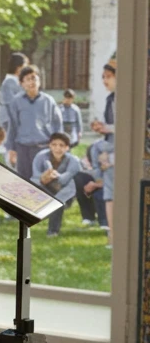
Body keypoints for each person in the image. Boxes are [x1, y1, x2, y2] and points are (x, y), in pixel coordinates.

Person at [5, 64, 62, 184]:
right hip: (23, 147)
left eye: (34, 78)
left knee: (43, 181)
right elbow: (13, 127)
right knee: (24, 181)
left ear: (39, 81)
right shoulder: (16, 102)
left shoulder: (48, 101)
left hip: (43, 147)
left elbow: (57, 125)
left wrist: (58, 146)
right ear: (22, 83)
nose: (32, 82)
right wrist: (11, 149)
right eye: (28, 79)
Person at [31, 132, 81, 237]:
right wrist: (44, 178)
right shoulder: (41, 156)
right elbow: (35, 176)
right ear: (49, 145)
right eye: (54, 145)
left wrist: (56, 175)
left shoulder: (74, 161)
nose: (57, 148)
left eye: (61, 145)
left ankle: (53, 231)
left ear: (67, 147)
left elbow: (67, 180)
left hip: (65, 189)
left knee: (58, 201)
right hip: (43, 186)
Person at [90, 58, 116, 249]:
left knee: (113, 196)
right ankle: (112, 236)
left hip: (118, 152)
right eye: (102, 77)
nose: (104, 81)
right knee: (109, 195)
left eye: (108, 77)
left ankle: (115, 237)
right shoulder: (110, 99)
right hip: (110, 149)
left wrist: (106, 128)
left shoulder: (121, 99)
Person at [74, 138, 108, 229]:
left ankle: (104, 221)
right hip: (98, 178)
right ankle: (88, 217)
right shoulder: (95, 147)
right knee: (79, 179)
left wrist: (96, 185)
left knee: (100, 191)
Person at [0, 52, 27, 139]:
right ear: (18, 67)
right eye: (25, 65)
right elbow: (10, 102)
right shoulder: (10, 81)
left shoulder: (16, 81)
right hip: (10, 119)